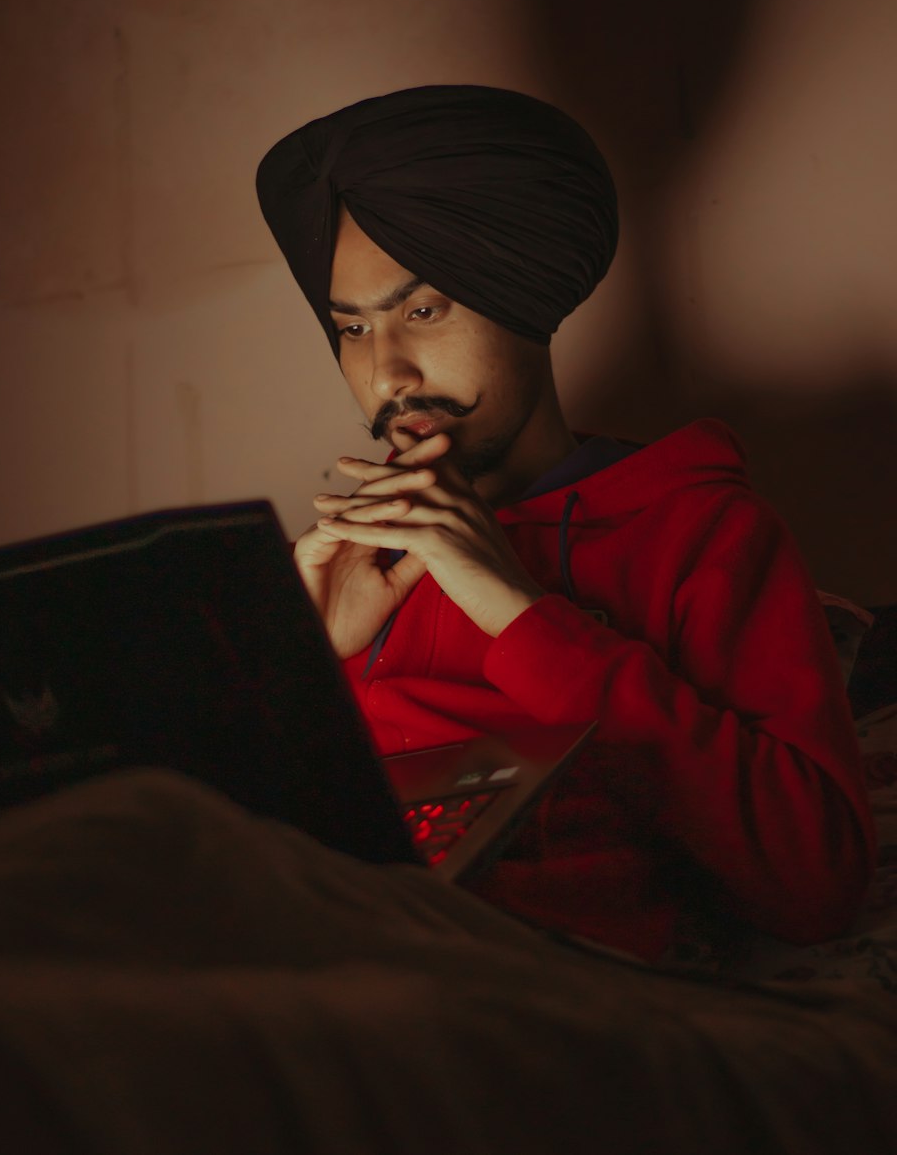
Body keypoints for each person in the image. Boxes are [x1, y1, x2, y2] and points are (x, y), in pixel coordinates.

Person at [255, 85, 875, 961]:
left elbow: (812, 883)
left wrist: (516, 611)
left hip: (514, 982)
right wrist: (301, 663)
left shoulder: (701, 532)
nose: (386, 372)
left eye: (422, 311)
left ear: (520, 295)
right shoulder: (353, 563)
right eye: (351, 328)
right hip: (327, 953)